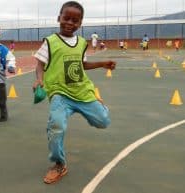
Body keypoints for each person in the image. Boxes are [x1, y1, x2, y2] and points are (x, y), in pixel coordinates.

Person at [33, 1, 116, 184]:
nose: (70, 22)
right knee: (56, 127)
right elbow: (40, 64)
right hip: (60, 93)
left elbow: (82, 65)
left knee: (103, 121)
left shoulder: (81, 43)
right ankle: (58, 164)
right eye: (66, 18)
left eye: (75, 20)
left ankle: (99, 104)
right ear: (59, 18)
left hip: (82, 91)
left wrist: (102, 63)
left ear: (80, 23)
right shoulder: (50, 42)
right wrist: (39, 79)